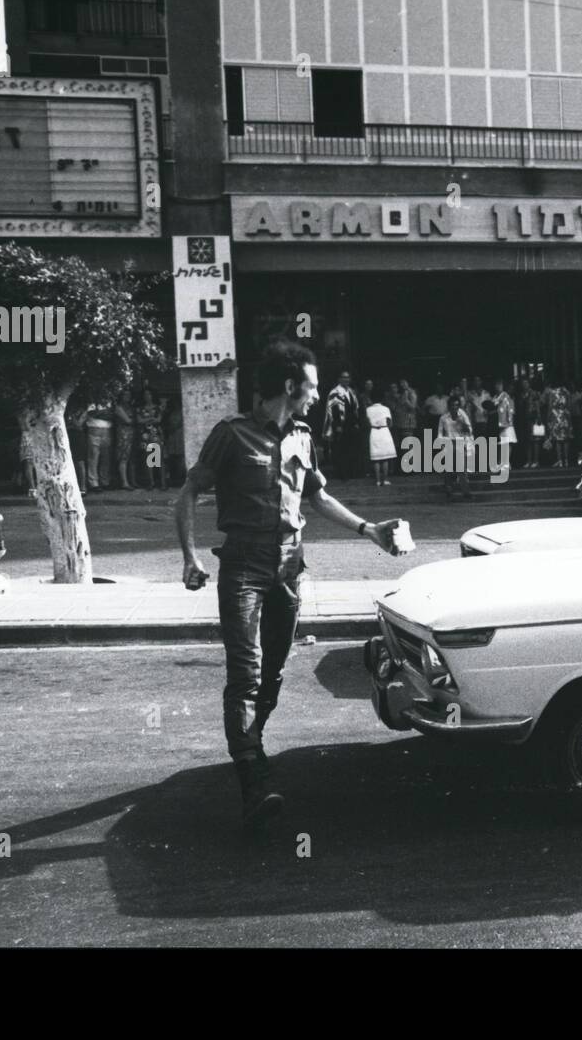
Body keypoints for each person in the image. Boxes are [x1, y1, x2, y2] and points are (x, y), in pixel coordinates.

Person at [176, 340, 405, 826]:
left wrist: (369, 530)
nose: (317, 396)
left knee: (274, 673)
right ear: (288, 385)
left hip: (288, 567)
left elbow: (317, 497)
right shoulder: (231, 435)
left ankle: (248, 744)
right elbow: (189, 492)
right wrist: (190, 557)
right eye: (312, 386)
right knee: (246, 672)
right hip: (242, 566)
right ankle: (252, 777)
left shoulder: (302, 436)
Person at [323, 371, 361, 480]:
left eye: (348, 377)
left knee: (350, 450)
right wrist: (336, 425)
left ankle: (350, 473)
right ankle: (341, 474)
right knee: (340, 451)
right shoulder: (335, 392)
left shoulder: (351, 392)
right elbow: (332, 411)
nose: (346, 380)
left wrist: (356, 423)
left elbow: (354, 409)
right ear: (339, 379)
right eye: (344, 378)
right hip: (340, 425)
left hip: (350, 425)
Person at [438, 392, 475, 500]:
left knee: (461, 469)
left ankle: (466, 492)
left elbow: (470, 430)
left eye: (456, 405)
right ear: (449, 406)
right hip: (448, 442)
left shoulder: (462, 415)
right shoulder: (443, 418)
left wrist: (462, 424)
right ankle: (449, 490)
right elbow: (440, 432)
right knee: (449, 468)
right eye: (452, 405)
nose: (454, 407)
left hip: (460, 443)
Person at [365, 387, 397, 486]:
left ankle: (378, 480)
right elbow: (390, 423)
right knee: (385, 457)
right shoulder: (386, 409)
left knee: (376, 458)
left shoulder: (368, 409)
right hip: (384, 431)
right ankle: (386, 479)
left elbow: (367, 422)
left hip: (374, 431)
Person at [138, 386, 167, 490]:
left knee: (159, 459)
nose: (147, 396)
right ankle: (151, 482)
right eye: (145, 395)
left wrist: (146, 419)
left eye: (149, 394)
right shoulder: (140, 408)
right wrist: (151, 418)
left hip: (156, 434)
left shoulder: (157, 408)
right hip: (146, 435)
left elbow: (159, 420)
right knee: (149, 459)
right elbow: (139, 420)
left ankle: (163, 483)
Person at [84, 394, 114, 492]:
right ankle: (94, 483)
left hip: (107, 431)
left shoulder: (109, 401)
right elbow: (91, 413)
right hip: (94, 431)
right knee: (93, 458)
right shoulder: (92, 400)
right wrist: (104, 413)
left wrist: (100, 413)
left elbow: (112, 414)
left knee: (106, 458)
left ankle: (105, 481)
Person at [492, 378, 515, 478]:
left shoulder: (504, 395)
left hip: (506, 422)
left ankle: (506, 463)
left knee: (507, 442)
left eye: (500, 385)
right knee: (502, 443)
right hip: (500, 422)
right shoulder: (496, 396)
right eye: (497, 385)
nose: (498, 387)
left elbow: (495, 403)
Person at [467, 376, 490, 443]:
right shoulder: (470, 394)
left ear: (481, 382)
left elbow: (490, 408)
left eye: (478, 380)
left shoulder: (486, 394)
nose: (477, 382)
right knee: (476, 443)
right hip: (474, 422)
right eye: (475, 381)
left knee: (484, 443)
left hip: (484, 422)